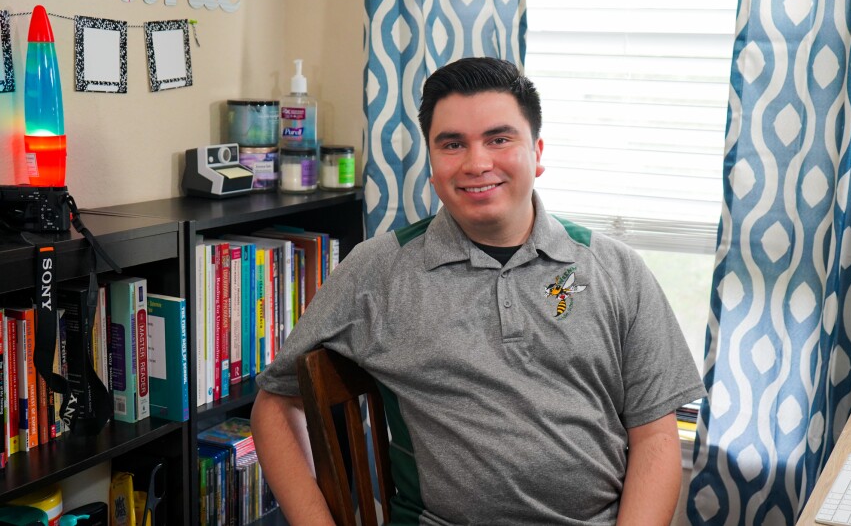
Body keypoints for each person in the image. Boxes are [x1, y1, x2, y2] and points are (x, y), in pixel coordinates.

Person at [251, 57, 706, 525]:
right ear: (431, 162)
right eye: (452, 144)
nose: (477, 163)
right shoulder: (378, 270)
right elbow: (274, 404)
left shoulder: (617, 269)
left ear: (538, 151)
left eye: (499, 139)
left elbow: (655, 435)